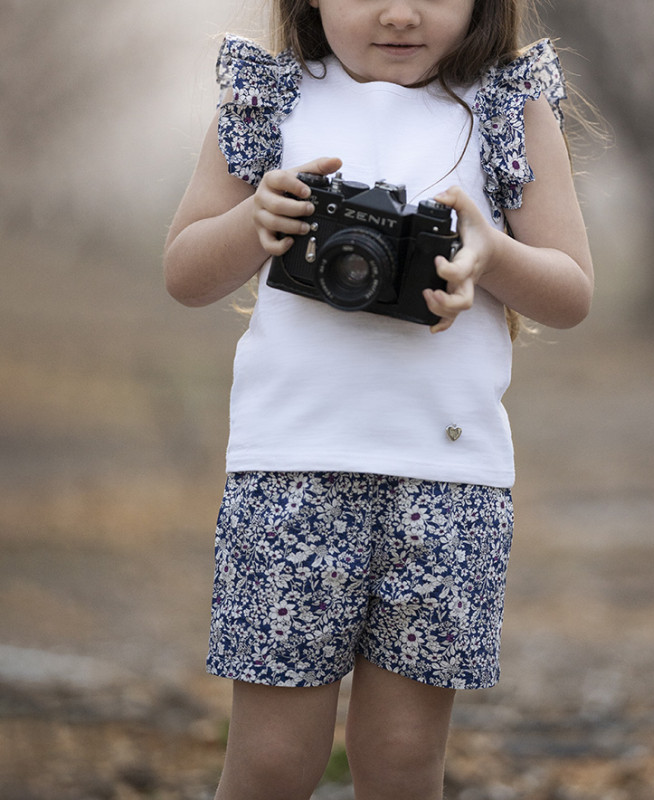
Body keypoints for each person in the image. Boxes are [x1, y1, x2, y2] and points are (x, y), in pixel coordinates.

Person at [163, 0, 593, 795]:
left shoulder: (506, 105)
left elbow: (570, 292)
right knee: (271, 760)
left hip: (449, 479)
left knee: (402, 760)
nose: (399, 13)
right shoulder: (270, 96)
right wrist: (255, 220)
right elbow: (185, 272)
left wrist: (489, 253)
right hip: (289, 471)